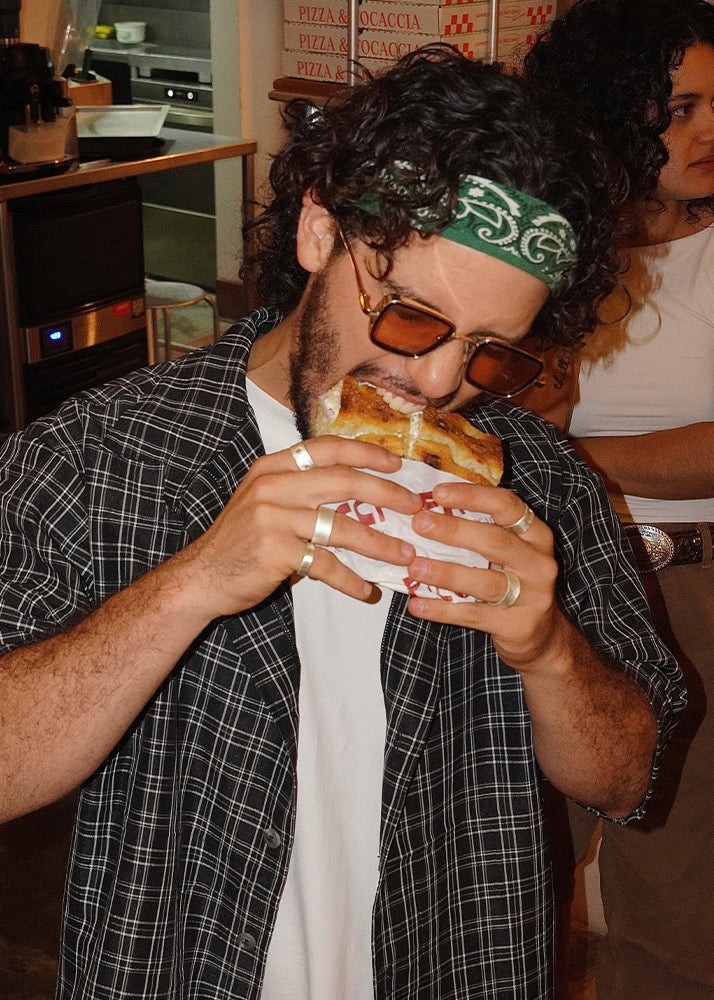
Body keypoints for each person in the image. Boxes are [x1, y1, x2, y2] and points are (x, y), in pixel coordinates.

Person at [0, 46, 685, 1000]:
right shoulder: (103, 457)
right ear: (321, 231)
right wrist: (191, 584)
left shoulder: (543, 485)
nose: (442, 382)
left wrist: (550, 653)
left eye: (493, 355)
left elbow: (628, 779)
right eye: (412, 318)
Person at [522, 2, 714, 997]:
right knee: (506, 877)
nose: (709, 131)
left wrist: (578, 459)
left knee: (676, 909)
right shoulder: (553, 251)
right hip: (537, 590)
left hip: (692, 595)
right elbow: (503, 403)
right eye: (679, 109)